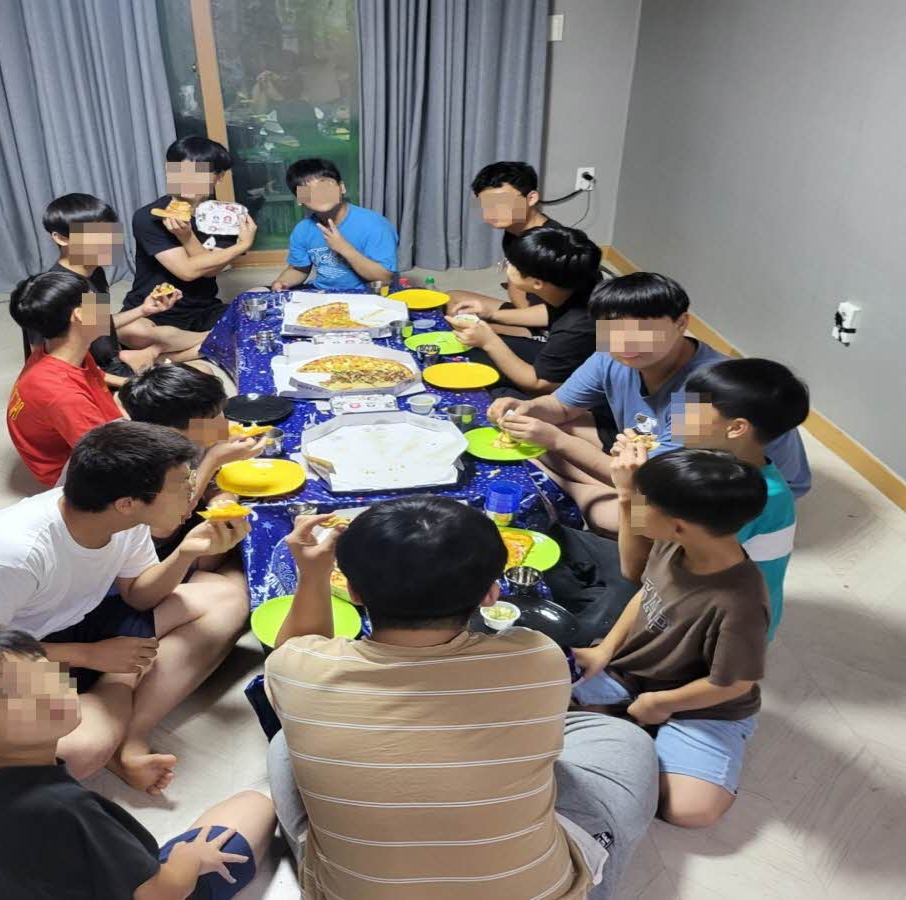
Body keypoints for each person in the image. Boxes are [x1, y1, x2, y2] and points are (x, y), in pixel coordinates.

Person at [266, 497, 659, 900]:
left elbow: (295, 650)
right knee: (624, 739)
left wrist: (312, 575)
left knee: (284, 745)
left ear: (352, 590)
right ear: (491, 594)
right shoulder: (538, 657)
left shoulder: (295, 671)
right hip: (536, 892)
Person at [0, 421, 251, 795]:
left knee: (228, 598)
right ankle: (120, 690)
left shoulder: (122, 518)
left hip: (61, 623)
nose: (192, 496)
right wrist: (91, 656)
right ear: (127, 503)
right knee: (77, 753)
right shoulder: (13, 555)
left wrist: (186, 553)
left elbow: (139, 595)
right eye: (182, 487)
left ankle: (128, 734)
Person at [0, 622, 275, 899]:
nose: (50, 688)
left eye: (42, 669)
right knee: (256, 806)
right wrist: (189, 859)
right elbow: (159, 895)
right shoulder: (66, 809)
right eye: (12, 690)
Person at [488, 273, 811, 534]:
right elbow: (561, 406)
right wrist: (528, 408)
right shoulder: (610, 355)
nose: (624, 342)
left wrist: (557, 442)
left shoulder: (703, 391)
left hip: (730, 487)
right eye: (612, 330)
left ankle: (566, 488)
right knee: (540, 431)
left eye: (642, 330)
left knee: (624, 518)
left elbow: (653, 480)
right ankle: (580, 482)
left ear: (681, 323)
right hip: (651, 448)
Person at [571, 449, 770, 829]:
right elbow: (644, 587)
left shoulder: (740, 603)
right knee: (538, 706)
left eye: (645, 504)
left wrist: (662, 703)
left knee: (689, 811)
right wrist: (605, 651)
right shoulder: (680, 541)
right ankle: (631, 722)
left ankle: (645, 728)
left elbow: (734, 684)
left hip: (700, 703)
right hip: (633, 673)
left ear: (678, 526)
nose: (638, 509)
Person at [611, 358, 808, 640]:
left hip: (706, 630)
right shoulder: (715, 462)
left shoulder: (739, 496)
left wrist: (629, 493)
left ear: (736, 428)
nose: (676, 414)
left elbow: (638, 570)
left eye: (692, 408)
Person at [35, 192, 200, 382]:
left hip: (112, 360)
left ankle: (213, 337)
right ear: (61, 238)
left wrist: (143, 310)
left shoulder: (93, 272)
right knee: (199, 373)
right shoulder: (54, 292)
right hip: (95, 379)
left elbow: (96, 325)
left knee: (170, 342)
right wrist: (129, 383)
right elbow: (53, 369)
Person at [118, 363, 266, 565]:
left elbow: (214, 482)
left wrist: (223, 501)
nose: (222, 423)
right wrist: (213, 460)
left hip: (189, 517)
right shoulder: (137, 461)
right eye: (212, 419)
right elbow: (165, 529)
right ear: (169, 431)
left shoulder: (192, 432)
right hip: (153, 552)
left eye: (220, 412)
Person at [120, 137, 257, 354]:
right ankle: (215, 339)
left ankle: (167, 353)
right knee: (133, 332)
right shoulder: (148, 216)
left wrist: (187, 236)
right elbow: (187, 271)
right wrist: (242, 246)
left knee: (261, 301)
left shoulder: (226, 218)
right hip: (153, 312)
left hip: (203, 309)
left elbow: (210, 270)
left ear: (219, 176)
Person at [7, 271, 144, 486]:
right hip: (78, 472)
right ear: (80, 315)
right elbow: (109, 460)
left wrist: (140, 384)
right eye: (95, 300)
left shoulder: (62, 351)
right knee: (191, 437)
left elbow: (95, 376)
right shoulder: (62, 395)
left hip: (95, 433)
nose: (103, 306)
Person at [446, 225, 601, 396]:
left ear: (537, 283)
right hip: (573, 357)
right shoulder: (580, 280)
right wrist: (491, 314)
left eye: (512, 265)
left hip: (579, 389)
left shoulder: (577, 326)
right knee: (465, 350)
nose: (508, 267)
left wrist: (489, 342)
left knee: (466, 367)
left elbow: (538, 384)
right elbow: (549, 312)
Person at [447, 161, 562, 334]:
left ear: (531, 198)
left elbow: (569, 312)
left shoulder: (554, 245)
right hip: (533, 314)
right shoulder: (512, 231)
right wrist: (522, 318)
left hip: (559, 325)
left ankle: (533, 337)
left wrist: (494, 316)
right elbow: (515, 287)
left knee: (465, 329)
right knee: (452, 300)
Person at [270, 158, 397, 293]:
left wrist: (345, 248)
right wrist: (282, 282)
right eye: (306, 191)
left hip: (365, 294)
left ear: (341, 188)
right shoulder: (302, 229)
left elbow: (385, 277)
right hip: (322, 293)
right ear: (300, 199)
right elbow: (299, 269)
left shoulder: (375, 224)